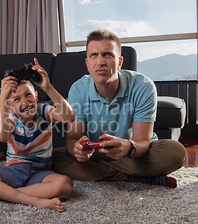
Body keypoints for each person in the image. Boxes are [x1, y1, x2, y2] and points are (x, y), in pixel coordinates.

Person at [52, 29, 186, 188]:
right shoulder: (78, 89)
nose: (100, 62)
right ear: (87, 63)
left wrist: (128, 147)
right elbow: (72, 138)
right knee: (52, 159)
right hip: (96, 154)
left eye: (108, 54)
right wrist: (77, 150)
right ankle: (136, 178)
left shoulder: (142, 86)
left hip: (133, 155)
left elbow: (142, 141)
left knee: (175, 152)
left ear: (120, 62)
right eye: (94, 55)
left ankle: (105, 174)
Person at [0, 58, 76, 212]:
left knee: (64, 184)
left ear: (37, 96)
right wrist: (2, 100)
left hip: (41, 171)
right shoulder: (10, 118)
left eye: (28, 95)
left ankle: (1, 195)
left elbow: (69, 117)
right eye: (16, 99)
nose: (25, 102)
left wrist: (48, 87)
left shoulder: (44, 111)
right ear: (10, 107)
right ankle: (35, 200)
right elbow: (2, 137)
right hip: (14, 170)